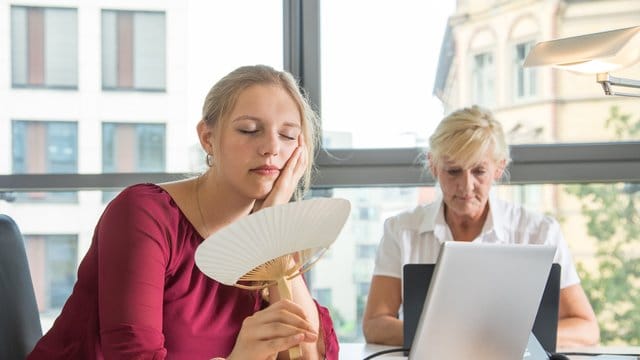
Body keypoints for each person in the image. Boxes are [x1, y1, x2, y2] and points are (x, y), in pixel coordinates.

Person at [27, 65, 338, 360]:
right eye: (249, 130)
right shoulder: (143, 214)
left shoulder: (270, 228)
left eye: (287, 136)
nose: (271, 147)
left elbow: (309, 352)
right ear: (208, 138)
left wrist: (272, 224)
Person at [362, 105, 600, 348]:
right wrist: (465, 339)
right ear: (433, 165)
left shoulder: (540, 231)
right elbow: (375, 325)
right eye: (453, 171)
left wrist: (509, 340)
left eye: (479, 171)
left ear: (499, 167)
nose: (466, 186)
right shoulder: (400, 230)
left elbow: (586, 328)